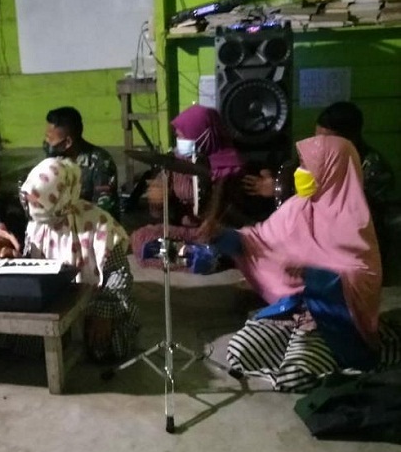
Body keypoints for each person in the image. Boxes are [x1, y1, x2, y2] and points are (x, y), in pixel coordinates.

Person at [212, 135, 398, 392]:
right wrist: (224, 237)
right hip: (293, 311)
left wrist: (315, 275)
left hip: (332, 323)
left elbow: (362, 278)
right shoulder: (297, 207)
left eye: (307, 166)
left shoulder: (353, 220)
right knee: (239, 351)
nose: (300, 172)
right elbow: (259, 240)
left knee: (295, 376)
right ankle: (297, 355)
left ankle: (340, 359)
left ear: (332, 171)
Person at [20, 158, 139, 362]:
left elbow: (119, 274)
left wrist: (103, 313)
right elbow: (31, 267)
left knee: (106, 344)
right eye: (29, 201)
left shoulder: (98, 223)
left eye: (37, 202)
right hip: (53, 303)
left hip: (92, 304)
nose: (32, 208)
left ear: (60, 197)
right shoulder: (36, 227)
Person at [129, 105, 247, 273]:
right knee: (142, 238)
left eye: (183, 135)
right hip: (186, 234)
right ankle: (197, 257)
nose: (178, 140)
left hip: (218, 232)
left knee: (229, 241)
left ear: (203, 135)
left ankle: (202, 257)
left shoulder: (231, 168)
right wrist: (157, 201)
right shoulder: (175, 164)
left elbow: (238, 213)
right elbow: (158, 215)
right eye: (178, 136)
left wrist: (213, 219)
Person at [244, 101, 394, 210]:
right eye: (317, 138)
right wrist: (279, 181)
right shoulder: (314, 159)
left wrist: (281, 189)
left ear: (350, 139)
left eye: (327, 141)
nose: (320, 145)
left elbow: (346, 210)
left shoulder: (374, 169)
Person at [44, 107, 121, 221]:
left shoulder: (100, 163)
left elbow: (104, 212)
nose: (47, 142)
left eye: (50, 138)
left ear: (68, 142)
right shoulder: (56, 159)